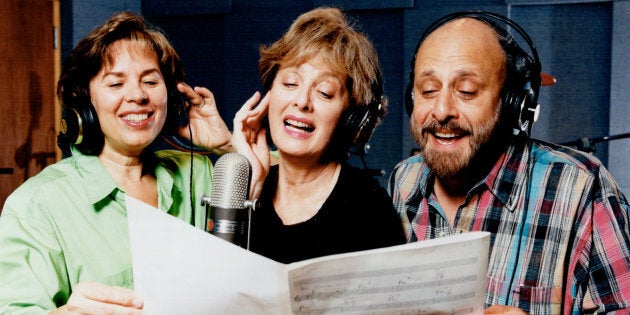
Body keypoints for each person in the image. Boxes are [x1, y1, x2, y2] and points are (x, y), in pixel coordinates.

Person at [388, 11, 630, 314]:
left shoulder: (582, 186)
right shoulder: (403, 181)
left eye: (466, 91)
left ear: (515, 103)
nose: (441, 110)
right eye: (428, 90)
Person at [0, 11, 232, 314]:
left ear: (173, 100)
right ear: (86, 104)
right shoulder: (37, 204)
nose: (137, 95)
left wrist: (227, 143)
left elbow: (296, 179)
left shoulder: (199, 172)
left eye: (150, 81)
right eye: (115, 84)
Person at [232, 7, 405, 264]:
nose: (302, 101)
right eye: (290, 83)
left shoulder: (369, 207)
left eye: (324, 92)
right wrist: (252, 188)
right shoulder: (246, 192)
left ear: (349, 117)